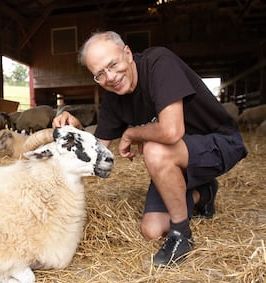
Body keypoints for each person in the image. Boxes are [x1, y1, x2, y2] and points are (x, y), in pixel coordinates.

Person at [52, 31, 247, 266]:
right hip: (175, 159)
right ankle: (203, 194)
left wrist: (131, 133)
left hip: (217, 143)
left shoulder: (158, 63)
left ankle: (181, 236)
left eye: (113, 64)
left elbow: (172, 131)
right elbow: (97, 149)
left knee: (155, 148)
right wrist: (76, 130)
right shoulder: (113, 99)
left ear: (127, 53)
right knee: (152, 230)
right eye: (100, 74)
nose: (111, 77)